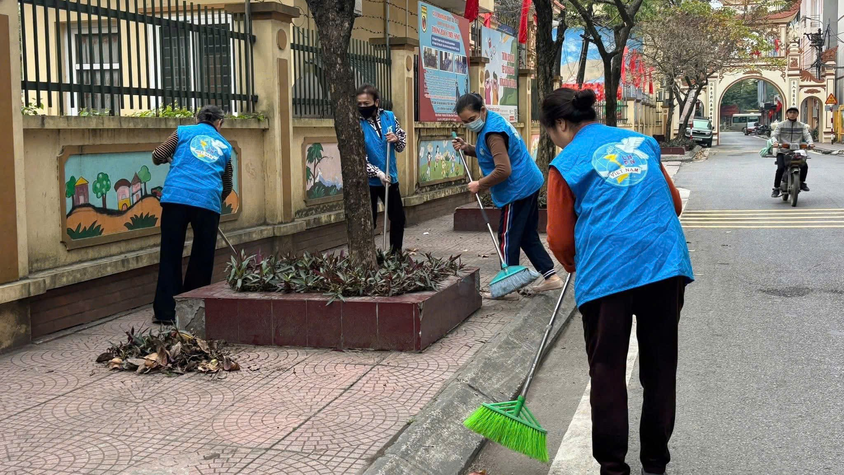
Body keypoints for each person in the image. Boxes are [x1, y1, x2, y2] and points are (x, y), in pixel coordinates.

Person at [541, 88, 694, 475]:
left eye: (551, 133)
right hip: (663, 264)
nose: (554, 140)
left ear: (560, 124)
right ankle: (655, 463)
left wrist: (577, 263)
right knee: (660, 365)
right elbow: (672, 204)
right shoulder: (641, 142)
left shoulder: (566, 163)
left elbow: (559, 239)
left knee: (607, 368)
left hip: (608, 272)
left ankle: (613, 468)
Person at [451, 93, 563, 294]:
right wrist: (468, 148)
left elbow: (503, 169)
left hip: (517, 189)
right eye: (465, 122)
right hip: (528, 183)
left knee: (507, 236)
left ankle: (508, 285)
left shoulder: (493, 132)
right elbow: (491, 152)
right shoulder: (491, 123)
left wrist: (480, 184)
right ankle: (551, 276)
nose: (469, 124)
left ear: (482, 111)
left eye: (471, 119)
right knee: (527, 235)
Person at [151, 105, 234, 324]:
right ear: (219, 123)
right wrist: (214, 197)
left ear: (196, 119)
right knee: (202, 257)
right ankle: (192, 312)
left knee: (170, 254)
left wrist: (168, 159)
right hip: (207, 203)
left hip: (175, 199)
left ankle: (166, 313)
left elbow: (158, 155)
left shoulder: (182, 132)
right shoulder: (225, 146)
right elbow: (227, 185)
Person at [357, 84, 407, 253]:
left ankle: (395, 253)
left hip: (390, 177)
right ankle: (368, 256)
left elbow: (401, 144)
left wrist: (396, 139)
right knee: (368, 221)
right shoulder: (357, 124)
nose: (363, 107)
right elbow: (358, 158)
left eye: (366, 103)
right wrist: (377, 173)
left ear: (376, 102)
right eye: (360, 104)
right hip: (369, 181)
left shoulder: (389, 117)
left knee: (398, 218)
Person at [771, 106, 813, 197]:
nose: (792, 114)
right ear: (787, 114)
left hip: (797, 151)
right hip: (783, 151)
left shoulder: (802, 125)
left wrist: (810, 143)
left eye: (794, 112)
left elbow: (807, 136)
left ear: (797, 114)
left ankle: (802, 182)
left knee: (804, 166)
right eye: (790, 112)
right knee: (780, 168)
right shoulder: (781, 125)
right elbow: (774, 135)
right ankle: (776, 188)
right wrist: (775, 142)